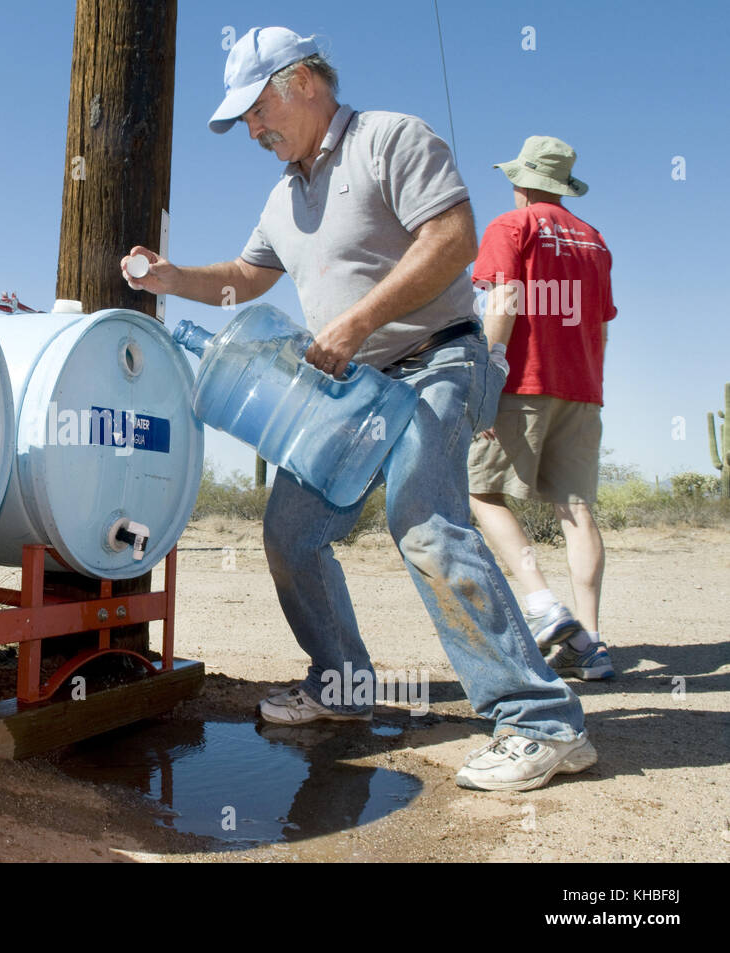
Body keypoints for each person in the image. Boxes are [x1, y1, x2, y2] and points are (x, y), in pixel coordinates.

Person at [121, 27, 595, 791]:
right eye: (243, 118)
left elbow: (451, 240)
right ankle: (344, 685)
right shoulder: (283, 195)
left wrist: (358, 322)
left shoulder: (391, 139)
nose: (252, 127)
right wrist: (171, 277)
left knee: (425, 521)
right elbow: (247, 275)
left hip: (437, 358)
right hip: (350, 387)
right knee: (290, 532)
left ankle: (542, 721)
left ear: (303, 80)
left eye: (256, 108)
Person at [467, 137, 616, 680]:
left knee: (480, 492)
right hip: (583, 387)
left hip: (523, 382)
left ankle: (543, 605)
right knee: (576, 509)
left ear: (521, 181)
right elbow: (600, 324)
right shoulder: (595, 242)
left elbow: (503, 300)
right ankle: (592, 645)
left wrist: (486, 370)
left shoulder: (512, 227)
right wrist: (590, 381)